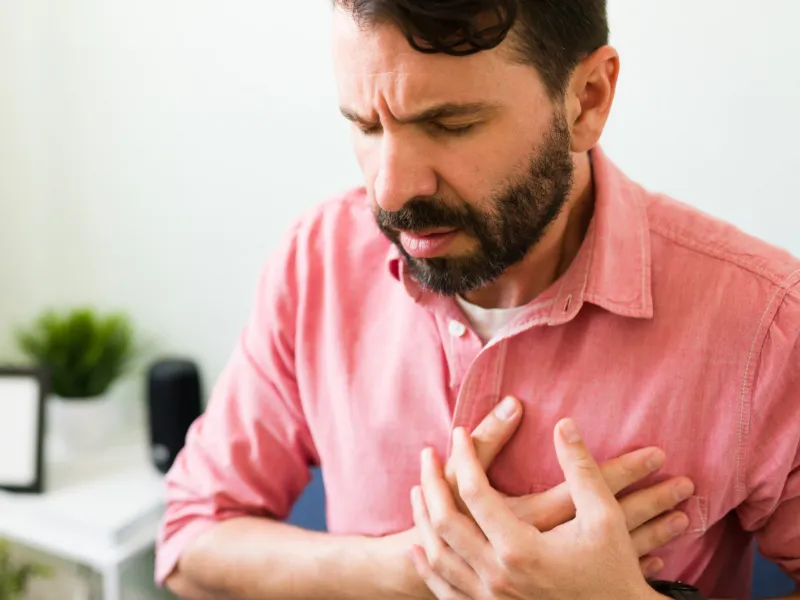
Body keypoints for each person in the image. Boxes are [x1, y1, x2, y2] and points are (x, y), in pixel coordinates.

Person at [155, 1, 800, 599]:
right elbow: (189, 543)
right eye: (365, 126)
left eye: (450, 125)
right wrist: (422, 567)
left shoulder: (766, 322)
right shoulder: (315, 265)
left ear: (587, 99)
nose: (391, 190)